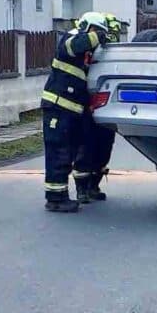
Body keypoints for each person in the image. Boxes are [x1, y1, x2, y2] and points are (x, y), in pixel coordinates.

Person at [41, 11, 120, 213]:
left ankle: (81, 190)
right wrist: (100, 35)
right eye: (95, 31)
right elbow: (75, 45)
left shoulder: (87, 54)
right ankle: (56, 198)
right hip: (58, 108)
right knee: (59, 152)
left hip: (74, 111)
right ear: (85, 27)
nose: (97, 36)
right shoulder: (70, 40)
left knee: (76, 151)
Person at [71, 14, 122, 203]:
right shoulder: (77, 46)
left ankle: (94, 184)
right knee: (86, 146)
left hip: (105, 106)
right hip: (85, 106)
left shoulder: (106, 50)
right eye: (96, 31)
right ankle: (82, 189)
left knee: (104, 146)